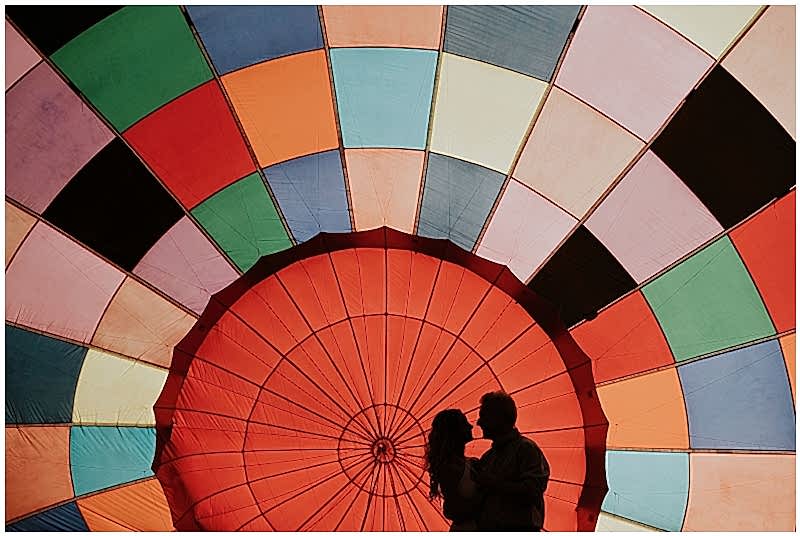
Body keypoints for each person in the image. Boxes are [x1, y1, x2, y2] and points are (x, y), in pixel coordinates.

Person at [474, 391, 550, 531]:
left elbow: (533, 490)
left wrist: (494, 483)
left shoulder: (526, 449)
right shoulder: (487, 458)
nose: (479, 422)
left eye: (484, 416)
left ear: (498, 418)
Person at [425, 409, 482, 531]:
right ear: (454, 431)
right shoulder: (449, 468)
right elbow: (455, 510)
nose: (470, 426)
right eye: (464, 423)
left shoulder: (472, 463)